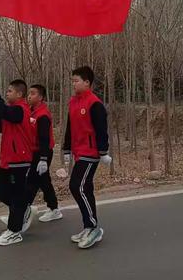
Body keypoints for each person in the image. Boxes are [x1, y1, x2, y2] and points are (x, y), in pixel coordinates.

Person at [63, 66, 111, 249]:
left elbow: (101, 129)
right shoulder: (73, 102)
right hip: (78, 151)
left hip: (91, 153)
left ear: (87, 82)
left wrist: (103, 151)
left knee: (77, 186)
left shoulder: (94, 103)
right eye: (72, 80)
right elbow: (70, 128)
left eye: (76, 80)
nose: (73, 84)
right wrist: (67, 150)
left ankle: (93, 227)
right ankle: (88, 225)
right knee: (85, 188)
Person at [0, 78, 35, 246]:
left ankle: (14, 231)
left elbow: (6, 113)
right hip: (8, 159)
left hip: (19, 159)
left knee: (16, 196)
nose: (7, 93)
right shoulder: (11, 111)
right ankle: (22, 209)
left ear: (19, 94)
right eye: (5, 91)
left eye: (9, 91)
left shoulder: (21, 110)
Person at [26, 84, 62, 222]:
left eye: (33, 93)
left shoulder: (43, 115)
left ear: (41, 97)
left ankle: (22, 212)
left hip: (42, 153)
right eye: (29, 93)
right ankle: (54, 208)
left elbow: (44, 139)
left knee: (31, 182)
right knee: (44, 181)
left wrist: (43, 158)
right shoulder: (31, 111)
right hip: (33, 152)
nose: (29, 96)